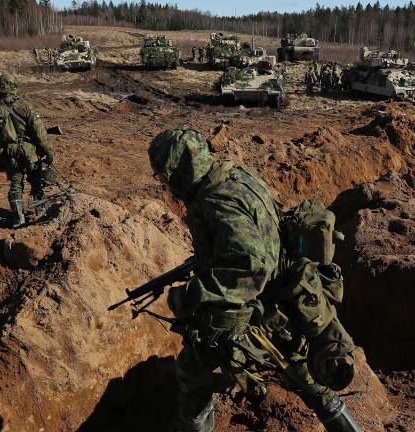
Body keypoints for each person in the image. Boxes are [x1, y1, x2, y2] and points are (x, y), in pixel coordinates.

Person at [148, 126, 362, 432]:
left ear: (178, 170)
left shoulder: (214, 200)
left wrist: (191, 294)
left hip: (255, 306)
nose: (165, 185)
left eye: (164, 177)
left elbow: (253, 266)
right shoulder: (234, 174)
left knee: (193, 367)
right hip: (282, 292)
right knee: (307, 381)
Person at [0, 74, 54, 227]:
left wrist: (2, 143)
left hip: (8, 154)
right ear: (13, 86)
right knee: (36, 181)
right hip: (29, 153)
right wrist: (48, 152)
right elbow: (39, 131)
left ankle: (17, 219)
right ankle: (41, 214)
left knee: (15, 183)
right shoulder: (24, 105)